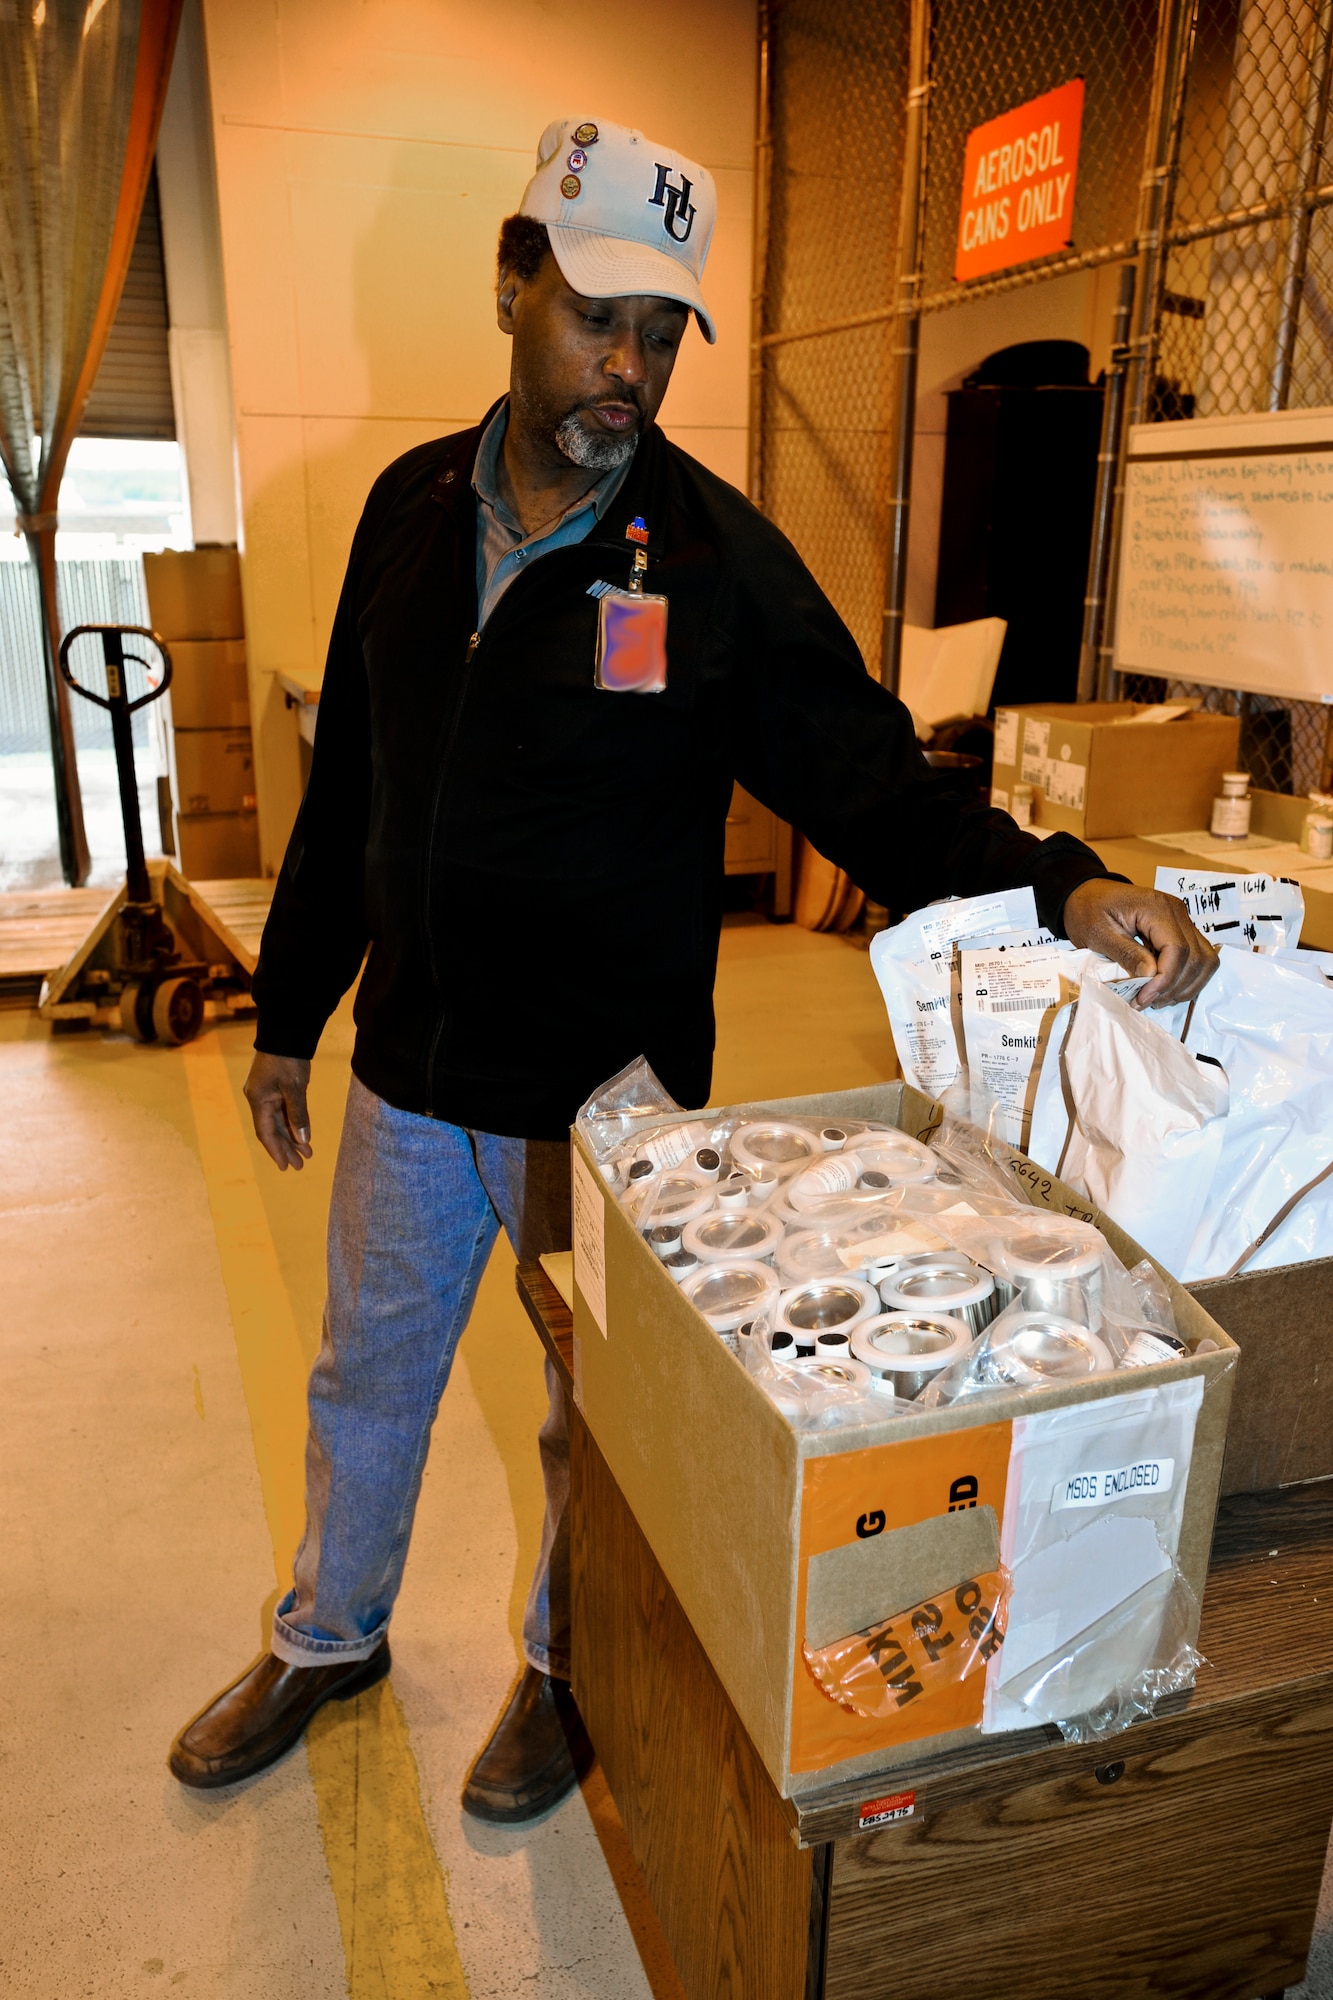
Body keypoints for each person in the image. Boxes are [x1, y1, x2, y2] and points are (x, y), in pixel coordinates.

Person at [167, 115, 1217, 1821]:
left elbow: (868, 781)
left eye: (662, 333)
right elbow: (353, 780)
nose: (630, 368)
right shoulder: (407, 514)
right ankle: (327, 1633)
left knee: (607, 1419)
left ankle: (567, 1665)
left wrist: (1064, 883)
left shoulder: (710, 564)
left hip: (604, 1102)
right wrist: (291, 1017)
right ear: (513, 285)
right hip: (411, 1073)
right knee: (367, 1371)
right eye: (598, 319)